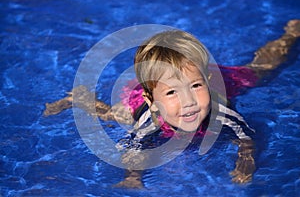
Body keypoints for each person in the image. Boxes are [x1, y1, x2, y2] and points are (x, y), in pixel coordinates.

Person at [43, 20, 300, 187]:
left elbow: (246, 138)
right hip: (137, 96)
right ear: (152, 100)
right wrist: (132, 179)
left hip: (205, 76)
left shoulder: (222, 114)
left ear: (208, 82)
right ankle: (79, 98)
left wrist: (245, 164)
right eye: (172, 94)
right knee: (115, 115)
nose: (188, 101)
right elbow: (133, 149)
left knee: (260, 70)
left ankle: (290, 35)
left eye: (196, 87)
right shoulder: (149, 120)